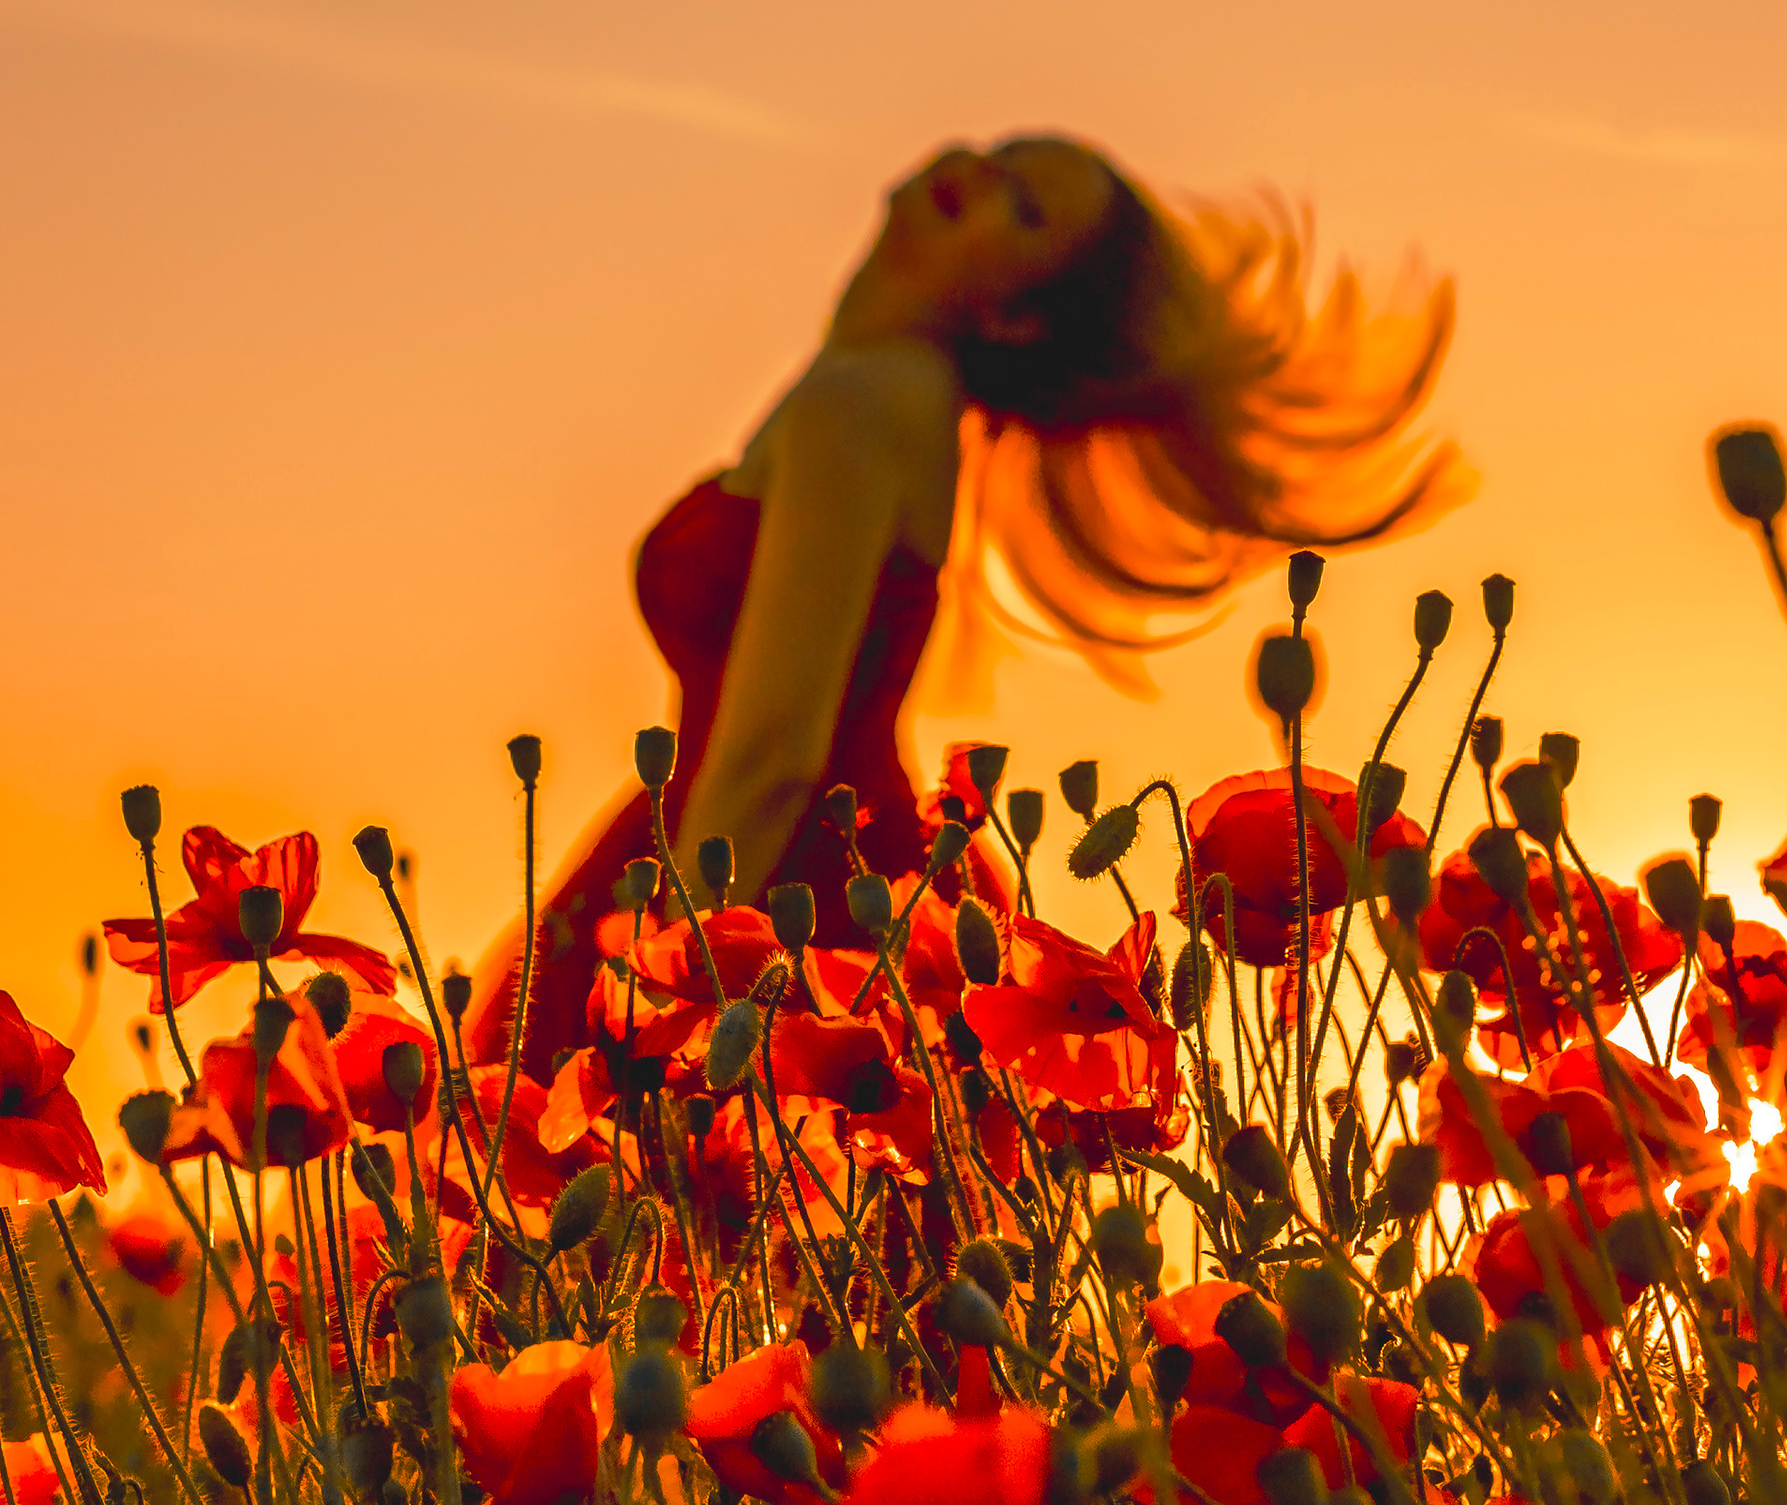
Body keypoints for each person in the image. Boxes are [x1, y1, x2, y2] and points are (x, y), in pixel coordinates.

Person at [467, 134, 1462, 1077]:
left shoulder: (865, 400)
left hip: (776, 887)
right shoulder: (878, 393)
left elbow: (776, 754)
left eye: (1022, 206)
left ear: (1018, 318)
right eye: (998, 158)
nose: (975, 176)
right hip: (763, 858)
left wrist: (662, 991)